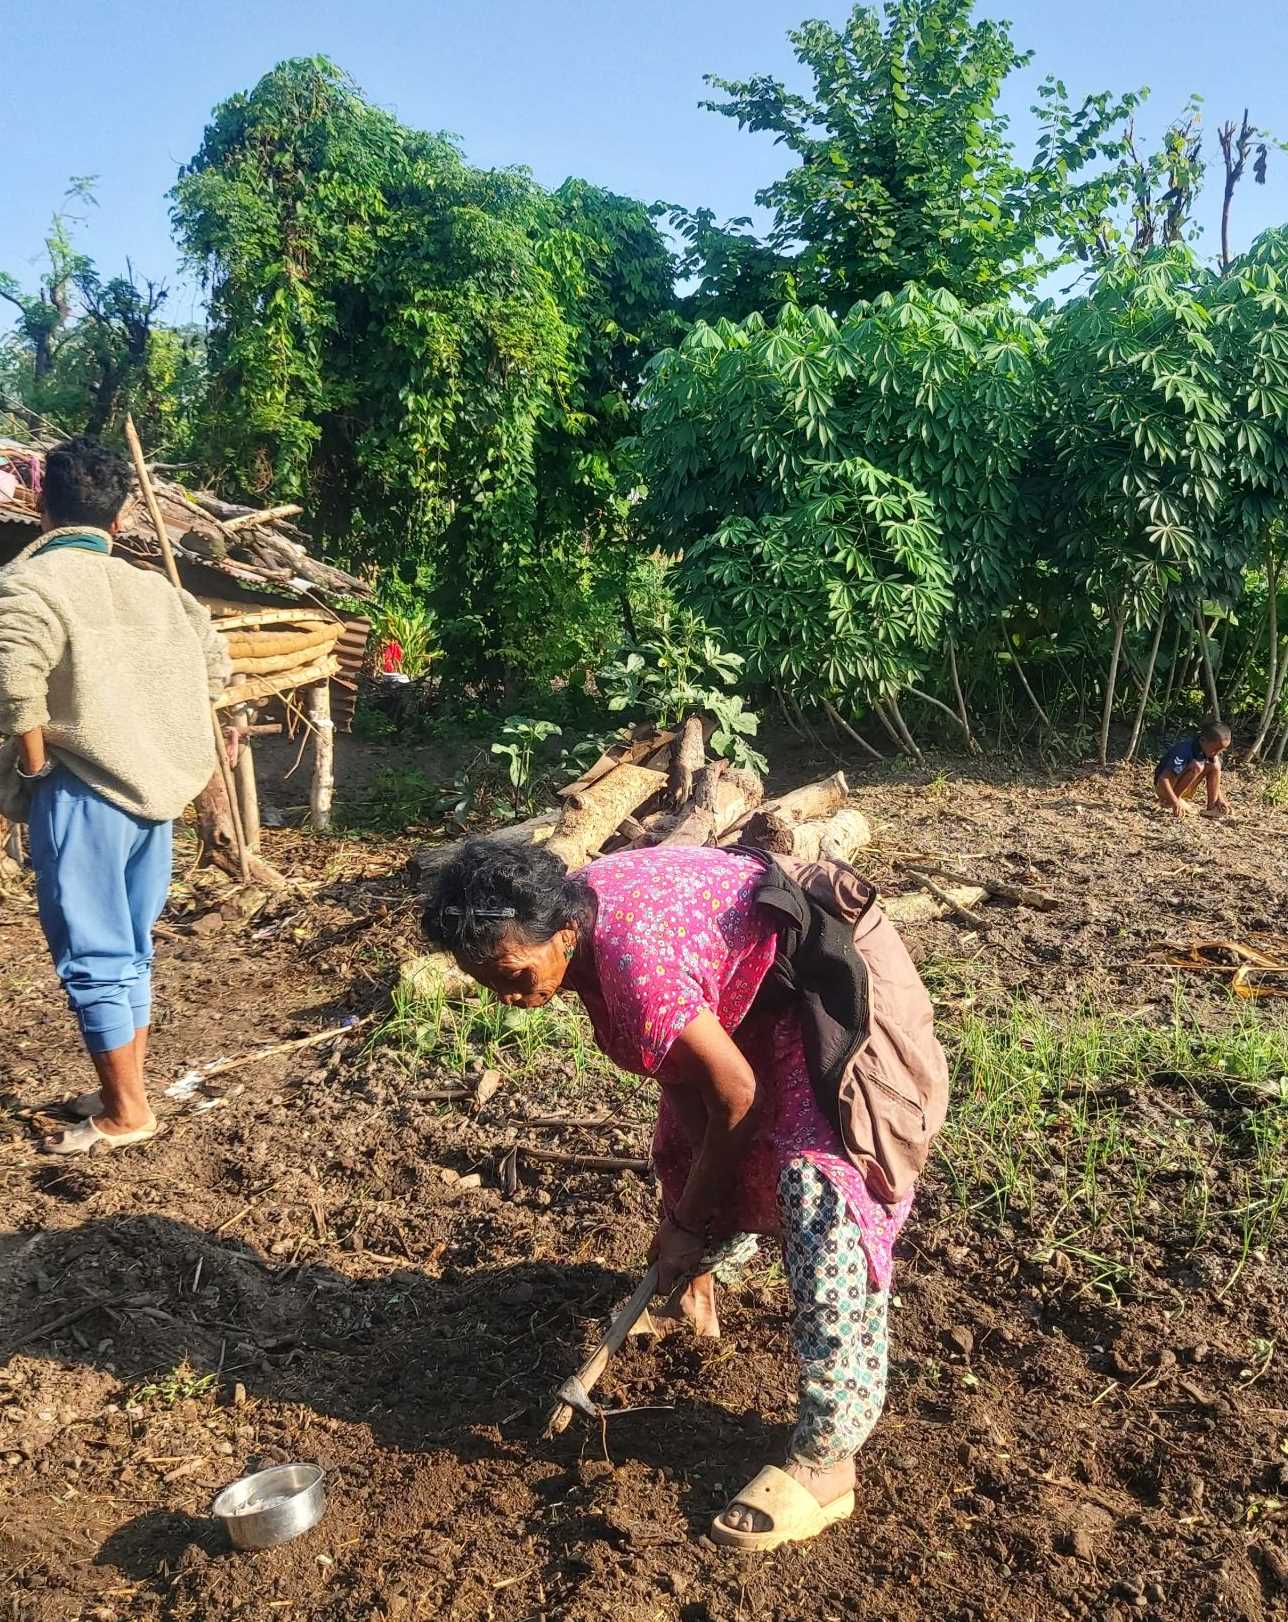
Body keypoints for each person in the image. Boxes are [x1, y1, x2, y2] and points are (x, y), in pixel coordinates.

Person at [424, 838, 948, 1553]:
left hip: (826, 980)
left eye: (515, 976)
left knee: (822, 1192)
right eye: (491, 986)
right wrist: (685, 1219)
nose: (512, 1001)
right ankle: (691, 1296)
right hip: (751, 989)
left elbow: (737, 1095)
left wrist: (686, 1220)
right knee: (681, 1143)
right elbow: (699, 1089)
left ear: (566, 935)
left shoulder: (636, 965)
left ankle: (827, 1461)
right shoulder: (565, 916)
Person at [0, 437, 231, 1154]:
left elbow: (14, 689)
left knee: (94, 955)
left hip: (81, 789)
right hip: (153, 793)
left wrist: (36, 771)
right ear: (124, 513)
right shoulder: (161, 592)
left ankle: (127, 1114)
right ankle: (120, 1088)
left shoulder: (28, 585)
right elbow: (216, 675)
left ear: (40, 504)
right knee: (130, 950)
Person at [1154, 720, 1232, 819]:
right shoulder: (1184, 751)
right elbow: (1163, 779)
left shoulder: (1207, 750)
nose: (1217, 753)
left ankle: (1212, 807)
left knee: (1215, 764)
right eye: (1215, 750)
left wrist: (1220, 799)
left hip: (1183, 788)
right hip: (1165, 789)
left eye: (1221, 750)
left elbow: (1214, 774)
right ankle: (1169, 801)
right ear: (1203, 740)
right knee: (1197, 766)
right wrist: (1174, 801)